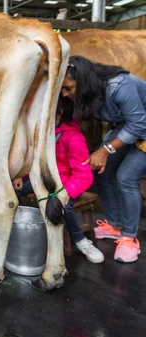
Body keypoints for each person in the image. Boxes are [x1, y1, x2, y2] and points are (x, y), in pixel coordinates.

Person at [62, 55, 146, 263]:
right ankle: (116, 226)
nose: (66, 94)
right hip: (125, 128)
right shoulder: (90, 95)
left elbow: (138, 125)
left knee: (126, 176)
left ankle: (130, 237)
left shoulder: (119, 85)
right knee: (101, 172)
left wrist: (105, 150)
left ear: (83, 83)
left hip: (141, 127)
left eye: (69, 88)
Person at [13, 97, 104, 263]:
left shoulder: (74, 138)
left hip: (65, 184)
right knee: (14, 192)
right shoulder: (43, 133)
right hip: (42, 180)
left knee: (65, 206)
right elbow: (35, 161)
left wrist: (66, 192)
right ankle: (31, 228)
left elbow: (83, 174)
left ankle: (81, 241)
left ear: (60, 113)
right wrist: (21, 175)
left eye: (47, 114)